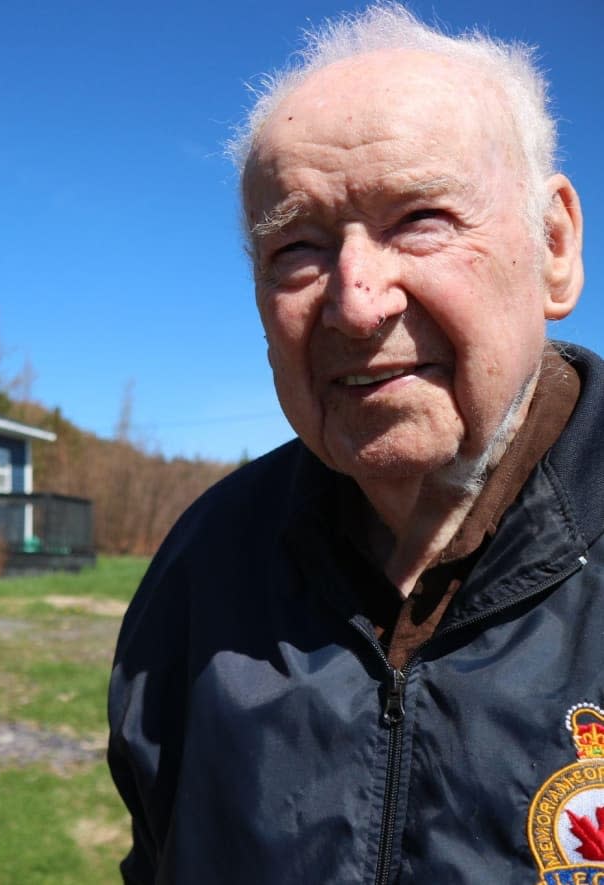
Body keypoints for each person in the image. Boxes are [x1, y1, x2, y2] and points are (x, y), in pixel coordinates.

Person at [107, 5, 603, 883]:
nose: (356, 301)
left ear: (554, 246)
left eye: (419, 219)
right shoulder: (203, 567)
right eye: (297, 248)